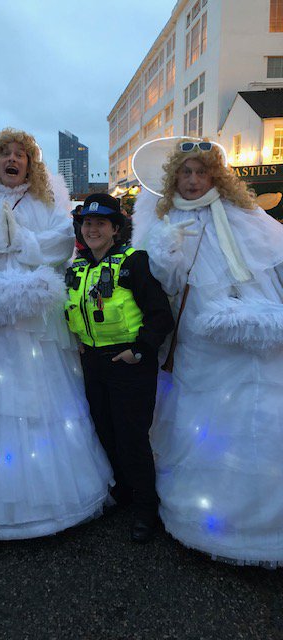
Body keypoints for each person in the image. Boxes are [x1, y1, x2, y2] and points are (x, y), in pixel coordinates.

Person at [0, 128, 113, 540]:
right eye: (6, 154)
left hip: (36, 321)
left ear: (31, 163)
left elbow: (63, 242)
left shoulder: (47, 206)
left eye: (21, 155)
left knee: (41, 392)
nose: (13, 160)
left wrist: (23, 242)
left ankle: (49, 496)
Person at [132, 138, 283, 566]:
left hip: (249, 327)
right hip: (198, 334)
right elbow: (157, 284)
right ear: (174, 178)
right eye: (185, 172)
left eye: (201, 172)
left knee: (256, 410)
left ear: (214, 175)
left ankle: (262, 519)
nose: (194, 180)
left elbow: (275, 259)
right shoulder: (163, 219)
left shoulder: (246, 214)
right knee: (200, 415)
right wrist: (165, 251)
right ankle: (201, 511)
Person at [65, 194, 174, 542]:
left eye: (101, 223)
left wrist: (139, 350)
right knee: (104, 431)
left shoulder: (133, 262)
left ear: (115, 228)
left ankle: (146, 508)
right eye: (88, 222)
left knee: (131, 437)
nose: (93, 228)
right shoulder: (77, 267)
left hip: (128, 364)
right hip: (93, 363)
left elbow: (161, 315)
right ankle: (125, 494)